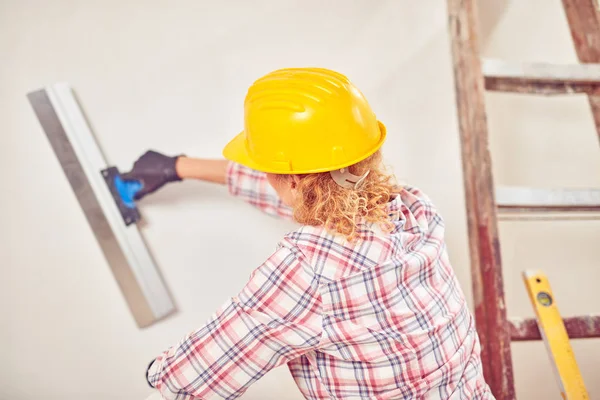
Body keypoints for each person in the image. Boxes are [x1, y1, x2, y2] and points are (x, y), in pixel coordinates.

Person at [126, 68, 493, 399]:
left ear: (295, 181)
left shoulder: (310, 269)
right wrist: (179, 167)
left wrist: (158, 375)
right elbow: (317, 191)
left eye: (268, 171)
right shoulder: (415, 210)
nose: (267, 181)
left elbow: (189, 382)